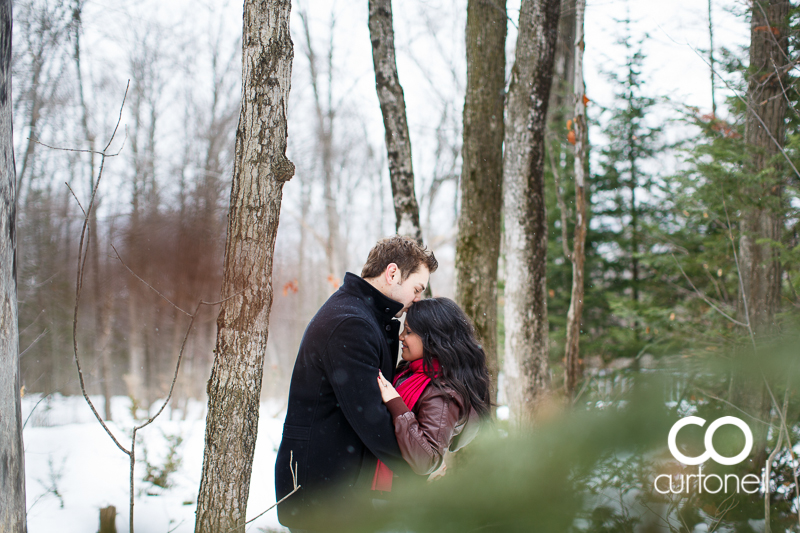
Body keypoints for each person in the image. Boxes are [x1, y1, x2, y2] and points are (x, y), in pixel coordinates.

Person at [275, 235, 438, 530]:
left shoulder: (364, 316)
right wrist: (420, 470)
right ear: (392, 273)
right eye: (417, 289)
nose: (417, 299)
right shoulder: (351, 323)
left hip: (339, 489)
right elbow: (371, 418)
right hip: (323, 494)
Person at [374, 297, 490, 487]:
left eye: (409, 331)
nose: (401, 336)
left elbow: (426, 461)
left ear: (433, 339)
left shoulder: (443, 393)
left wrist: (397, 406)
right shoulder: (410, 371)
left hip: (398, 496)